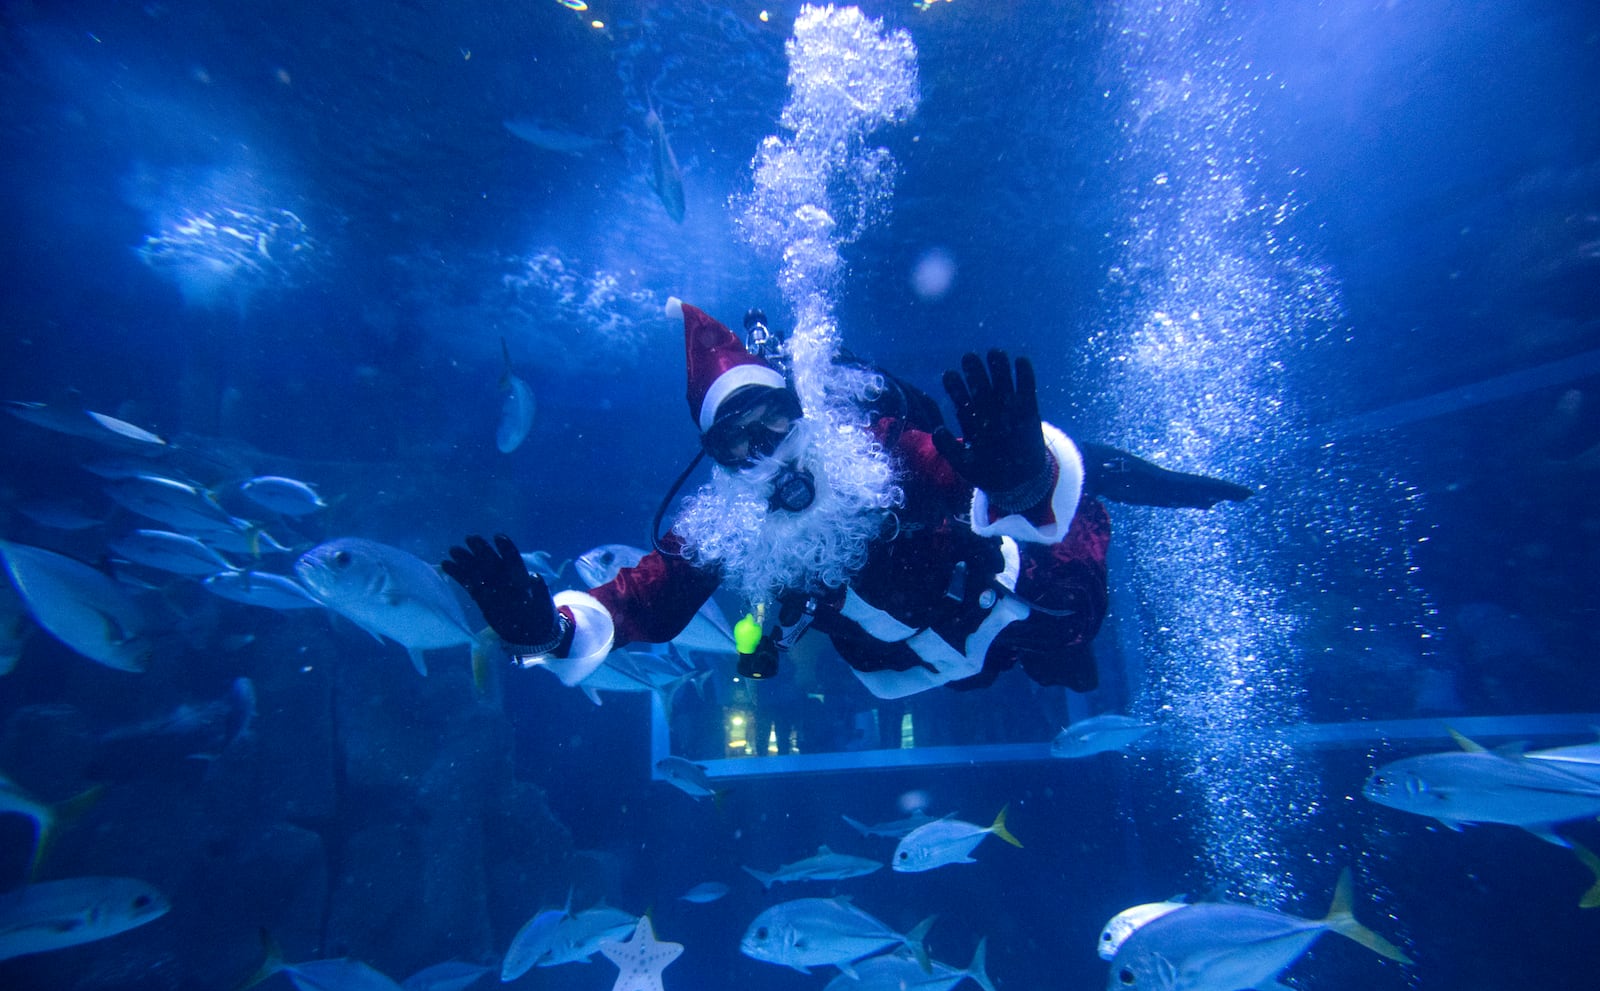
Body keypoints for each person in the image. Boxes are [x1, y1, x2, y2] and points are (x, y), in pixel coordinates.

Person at [442, 301, 1251, 701]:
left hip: (996, 604)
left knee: (1071, 611)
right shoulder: (725, 518)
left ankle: (1095, 523)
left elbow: (956, 476)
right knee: (996, 667)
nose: (767, 452)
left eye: (774, 422)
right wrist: (548, 628)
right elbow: (645, 599)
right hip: (912, 665)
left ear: (803, 407)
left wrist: (1017, 474)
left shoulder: (871, 448)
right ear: (716, 462)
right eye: (737, 444)